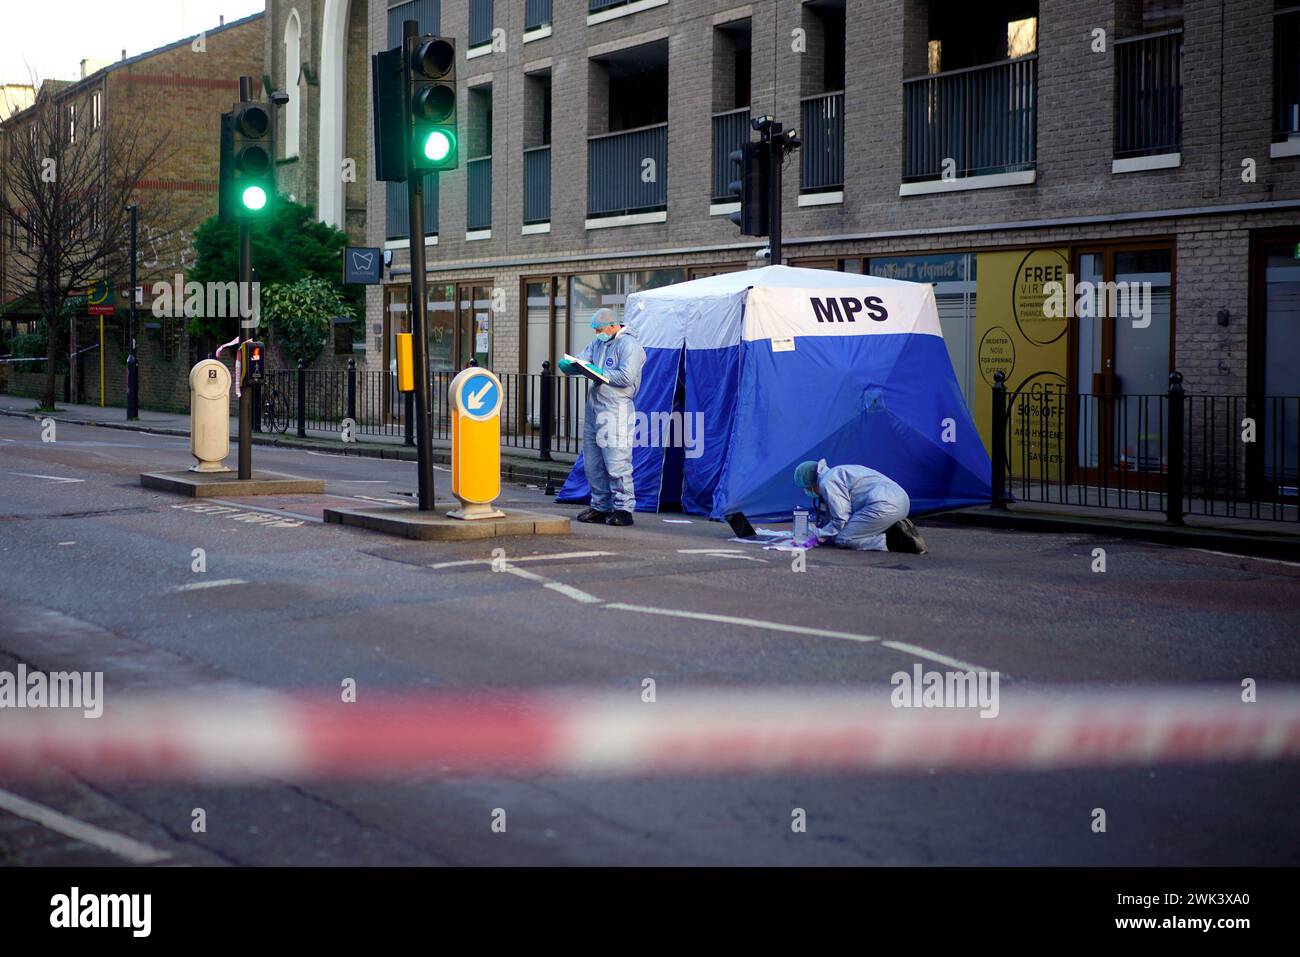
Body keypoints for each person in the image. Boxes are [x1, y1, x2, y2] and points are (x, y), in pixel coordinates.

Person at [559, 308, 646, 527]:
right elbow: (582, 360)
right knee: (593, 462)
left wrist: (599, 372)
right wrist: (570, 366)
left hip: (616, 408)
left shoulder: (630, 346)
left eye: (599, 329)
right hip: (595, 407)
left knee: (617, 461)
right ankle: (600, 505)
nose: (597, 333)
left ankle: (624, 507)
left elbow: (626, 376)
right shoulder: (598, 343)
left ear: (612, 325)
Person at [793, 459, 927, 553]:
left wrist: (817, 534)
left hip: (882, 505)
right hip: (902, 501)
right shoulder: (838, 471)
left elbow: (840, 519)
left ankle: (898, 541)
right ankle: (898, 527)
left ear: (811, 484)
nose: (807, 492)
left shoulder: (827, 483)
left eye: (806, 488)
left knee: (843, 539)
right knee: (852, 528)